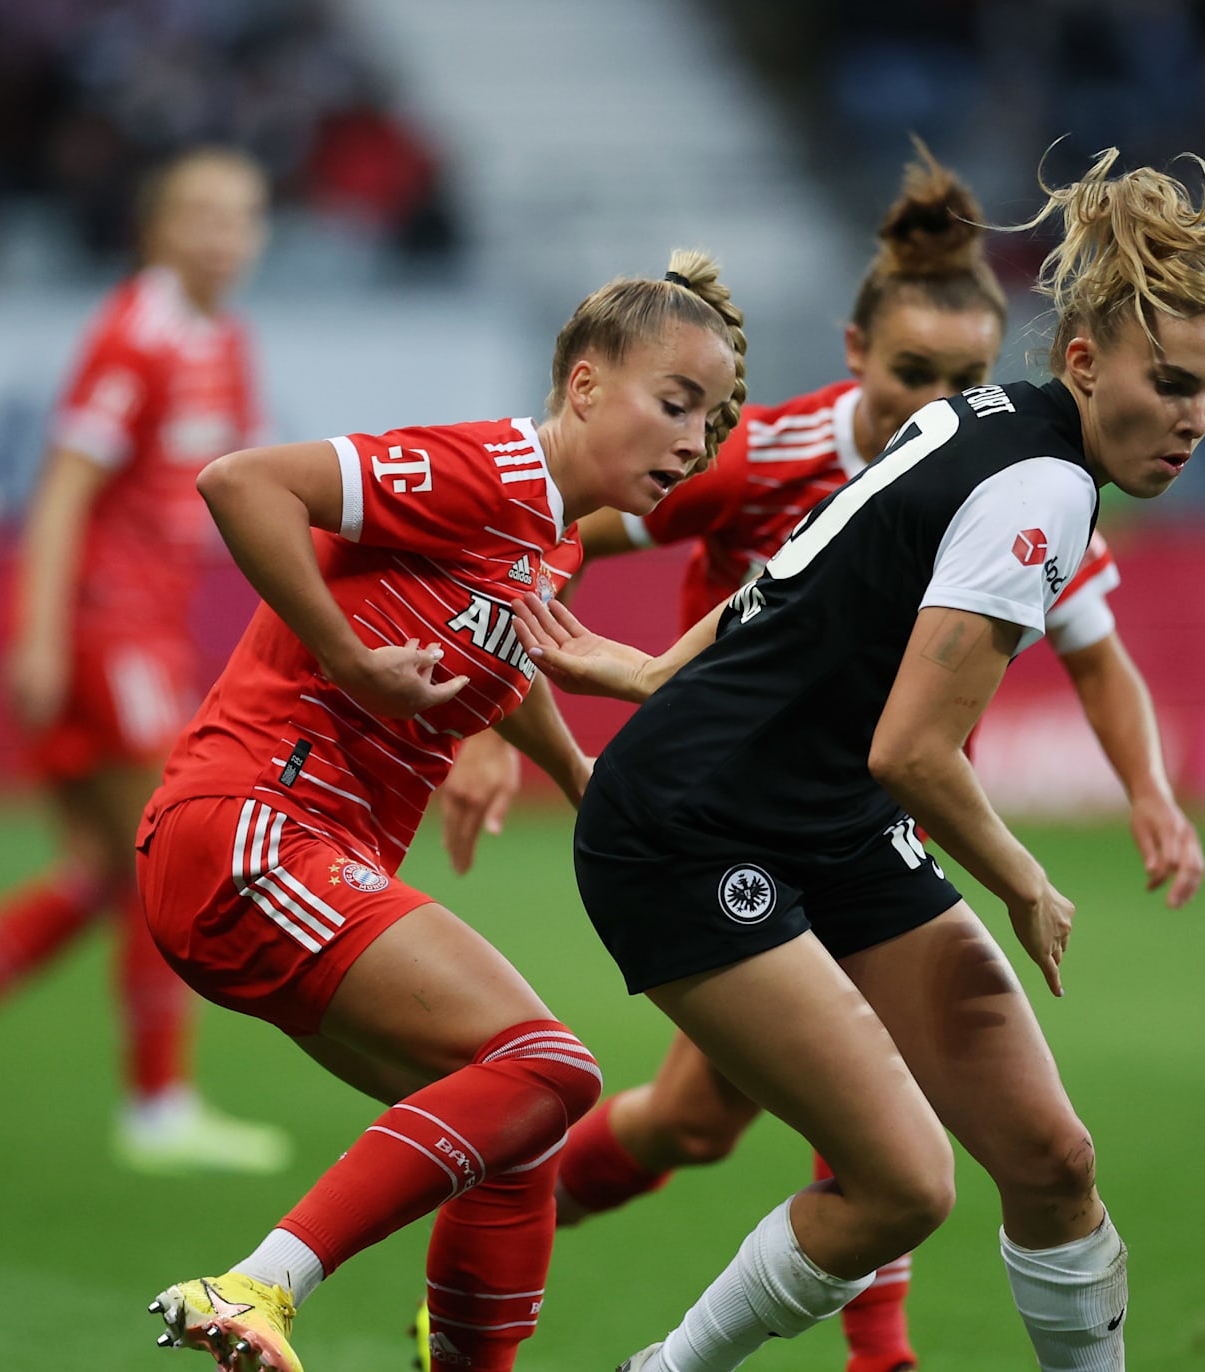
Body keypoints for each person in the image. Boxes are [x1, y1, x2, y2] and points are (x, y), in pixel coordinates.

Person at [436, 152, 1205, 1372]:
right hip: (693, 824)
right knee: (899, 1180)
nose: (1193, 420)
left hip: (825, 818)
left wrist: (648, 669)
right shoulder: (1039, 487)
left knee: (1051, 1157)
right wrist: (1020, 877)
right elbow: (912, 748)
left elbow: (795, 573)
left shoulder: (986, 426)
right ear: (1081, 363)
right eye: (1170, 384)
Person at [136, 252, 748, 1372]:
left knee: (516, 1124)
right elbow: (240, 482)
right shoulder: (494, 470)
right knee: (551, 1066)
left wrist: (574, 769)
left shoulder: (549, 535)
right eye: (676, 404)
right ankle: (254, 1286)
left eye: (708, 421)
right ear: (583, 383)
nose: (692, 442)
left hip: (279, 853)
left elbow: (497, 657)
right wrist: (348, 660)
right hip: (252, 827)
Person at [0, 148, 290, 1176]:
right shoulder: (135, 336)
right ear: (158, 228)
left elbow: (238, 490)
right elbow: (64, 486)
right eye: (202, 213)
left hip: (146, 624)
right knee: (175, 847)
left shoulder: (224, 341)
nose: (223, 233)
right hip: (102, 625)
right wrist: (38, 631)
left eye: (242, 215)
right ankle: (157, 1104)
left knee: (103, 871)